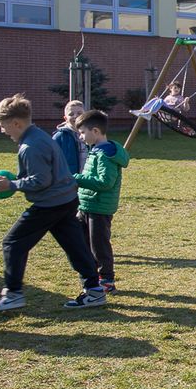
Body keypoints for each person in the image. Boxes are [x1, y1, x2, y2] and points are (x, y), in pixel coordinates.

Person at [0, 94, 103, 311]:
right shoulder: (39, 135)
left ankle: (13, 294)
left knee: (13, 243)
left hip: (50, 203)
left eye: (2, 125)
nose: (2, 130)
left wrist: (11, 185)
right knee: (75, 245)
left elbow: (40, 181)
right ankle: (94, 291)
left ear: (16, 123)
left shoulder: (31, 146)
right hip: (67, 199)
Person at [73, 109, 130, 294]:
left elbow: (105, 183)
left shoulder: (105, 154)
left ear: (95, 131)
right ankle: (92, 277)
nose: (81, 137)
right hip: (87, 205)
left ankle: (106, 280)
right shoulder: (95, 151)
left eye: (82, 132)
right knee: (83, 243)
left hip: (99, 207)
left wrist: (76, 179)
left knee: (99, 246)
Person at [52, 100, 87, 175]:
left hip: (87, 181)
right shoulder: (59, 137)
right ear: (65, 118)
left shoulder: (91, 134)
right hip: (67, 180)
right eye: (71, 114)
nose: (75, 116)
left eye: (79, 113)